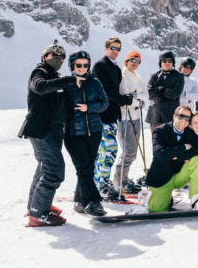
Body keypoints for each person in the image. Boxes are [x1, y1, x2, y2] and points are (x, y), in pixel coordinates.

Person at [19, 40, 78, 227]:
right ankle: (38, 214)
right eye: (54, 55)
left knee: (44, 168)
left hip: (54, 130)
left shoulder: (54, 77)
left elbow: (64, 104)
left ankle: (35, 206)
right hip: (41, 129)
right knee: (54, 170)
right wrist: (69, 80)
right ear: (45, 57)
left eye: (61, 56)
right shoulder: (40, 72)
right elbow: (40, 87)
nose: (58, 58)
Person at [63, 50, 109, 216]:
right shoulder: (66, 85)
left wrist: (89, 107)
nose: (82, 68)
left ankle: (80, 201)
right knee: (83, 168)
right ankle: (93, 202)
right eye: (78, 65)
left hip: (94, 132)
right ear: (72, 66)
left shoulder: (94, 83)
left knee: (88, 168)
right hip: (73, 134)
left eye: (85, 65)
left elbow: (104, 103)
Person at [146, 105, 198, 212]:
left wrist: (180, 157)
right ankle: (167, 197)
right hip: (161, 179)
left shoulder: (188, 132)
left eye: (187, 118)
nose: (183, 121)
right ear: (174, 116)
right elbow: (161, 154)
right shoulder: (159, 131)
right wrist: (184, 147)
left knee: (197, 158)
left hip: (179, 176)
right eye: (181, 116)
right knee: (156, 210)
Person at [93, 37, 133, 199]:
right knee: (109, 150)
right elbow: (106, 91)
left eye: (118, 49)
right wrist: (124, 100)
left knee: (103, 151)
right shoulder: (100, 66)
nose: (115, 51)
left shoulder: (115, 68)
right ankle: (101, 185)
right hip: (102, 116)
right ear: (105, 48)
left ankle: (98, 183)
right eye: (112, 48)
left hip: (112, 116)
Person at [112, 50, 147, 194]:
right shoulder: (122, 76)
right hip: (124, 117)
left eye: (138, 61)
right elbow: (125, 98)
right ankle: (119, 181)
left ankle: (123, 179)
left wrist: (136, 98)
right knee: (129, 151)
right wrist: (138, 101)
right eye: (132, 60)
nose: (135, 63)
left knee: (133, 151)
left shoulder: (137, 77)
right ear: (126, 61)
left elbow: (145, 95)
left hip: (136, 117)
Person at [146, 50, 185, 132]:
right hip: (155, 116)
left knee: (170, 139)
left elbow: (175, 93)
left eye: (170, 61)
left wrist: (161, 90)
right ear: (160, 62)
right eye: (164, 61)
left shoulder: (179, 76)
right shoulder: (154, 76)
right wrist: (167, 94)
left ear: (173, 62)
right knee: (156, 139)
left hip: (170, 116)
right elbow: (149, 94)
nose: (167, 63)